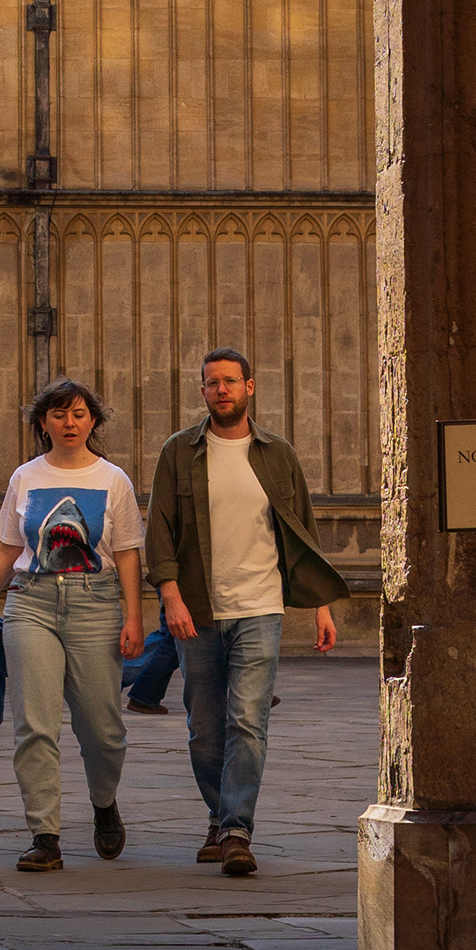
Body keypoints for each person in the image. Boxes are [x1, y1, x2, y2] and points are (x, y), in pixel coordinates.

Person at [146, 345, 346, 878]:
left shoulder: (278, 454)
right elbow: (159, 532)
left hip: (261, 607)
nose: (222, 391)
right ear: (203, 391)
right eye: (212, 383)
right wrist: (171, 598)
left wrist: (320, 608)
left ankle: (236, 830)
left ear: (250, 387)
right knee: (204, 727)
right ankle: (218, 814)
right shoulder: (179, 452)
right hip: (198, 610)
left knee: (247, 720)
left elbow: (303, 532)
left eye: (231, 382)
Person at [0, 377, 145, 873]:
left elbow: (129, 552)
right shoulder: (24, 477)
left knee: (102, 730)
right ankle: (44, 834)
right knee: (35, 724)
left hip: (97, 603)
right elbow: (7, 547)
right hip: (31, 601)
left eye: (79, 414)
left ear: (93, 421)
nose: (69, 423)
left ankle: (104, 802)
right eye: (59, 414)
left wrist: (134, 616)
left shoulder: (114, 480)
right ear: (42, 422)